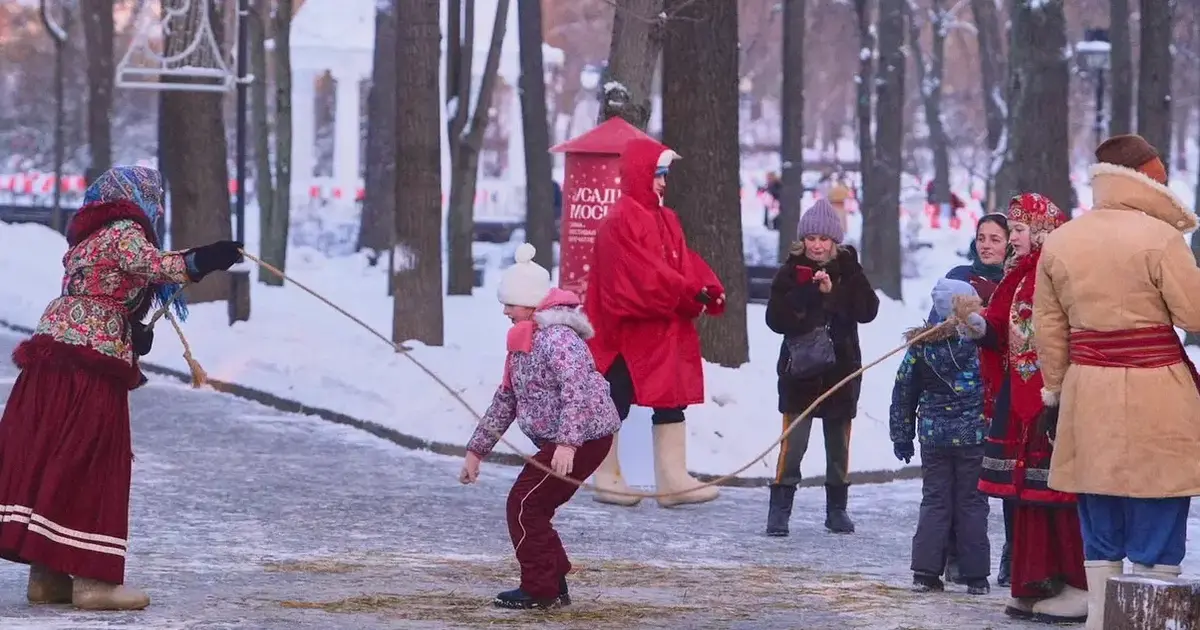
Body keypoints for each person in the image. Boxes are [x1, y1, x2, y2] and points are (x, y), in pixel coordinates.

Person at [0, 165, 243, 610]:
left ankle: (48, 575)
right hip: (87, 370)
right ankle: (94, 580)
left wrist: (131, 328)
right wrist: (205, 259)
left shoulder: (86, 240)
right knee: (95, 461)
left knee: (58, 456)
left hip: (53, 359)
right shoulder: (124, 229)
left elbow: (102, 289)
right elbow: (154, 265)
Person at [1033, 134, 1200, 629]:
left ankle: (1102, 618)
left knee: (1098, 504)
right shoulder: (1161, 238)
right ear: (1148, 179)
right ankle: (1152, 618)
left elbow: (1049, 329)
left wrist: (1055, 392)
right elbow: (1193, 314)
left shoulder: (1062, 240)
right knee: (1159, 496)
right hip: (1157, 388)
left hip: (1088, 390)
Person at [460, 243, 621, 610]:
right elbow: (507, 400)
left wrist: (567, 444)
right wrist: (476, 451)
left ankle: (541, 588)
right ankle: (553, 578)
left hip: (584, 438)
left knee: (524, 504)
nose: (504, 311)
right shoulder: (523, 343)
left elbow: (577, 389)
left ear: (532, 305)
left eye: (510, 304)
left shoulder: (558, 338)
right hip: (566, 439)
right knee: (532, 505)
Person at [955, 192, 1086, 623]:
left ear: (1043, 229)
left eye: (1018, 230)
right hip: (1019, 396)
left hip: (1051, 397)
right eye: (1011, 231)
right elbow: (997, 329)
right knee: (1025, 496)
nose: (1012, 240)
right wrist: (974, 323)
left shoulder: (1060, 271)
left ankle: (1073, 582)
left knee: (1056, 493)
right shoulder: (1016, 275)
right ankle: (1032, 581)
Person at [584, 137, 726, 508]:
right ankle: (607, 475)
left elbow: (682, 263)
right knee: (615, 398)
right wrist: (686, 292)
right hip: (626, 333)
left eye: (665, 174)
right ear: (639, 173)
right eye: (658, 173)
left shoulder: (666, 218)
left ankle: (672, 479)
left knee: (670, 399)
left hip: (661, 330)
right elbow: (638, 277)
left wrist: (705, 286)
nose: (663, 182)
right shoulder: (618, 222)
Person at [765, 199, 880, 536]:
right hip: (799, 375)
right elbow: (776, 319)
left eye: (824, 239)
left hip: (840, 374)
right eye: (811, 238)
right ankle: (780, 509)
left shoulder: (849, 269)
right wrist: (807, 294)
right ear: (803, 240)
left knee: (837, 446)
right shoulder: (789, 272)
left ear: (835, 241)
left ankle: (837, 509)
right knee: (793, 446)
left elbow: (868, 310)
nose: (817, 245)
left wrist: (834, 294)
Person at [890, 278, 991, 595]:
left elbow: (903, 392)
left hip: (934, 438)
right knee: (972, 502)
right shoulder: (979, 345)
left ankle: (925, 572)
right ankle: (976, 577)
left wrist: (902, 435)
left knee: (935, 501)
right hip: (973, 436)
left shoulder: (922, 347)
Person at [936, 213, 1011, 588]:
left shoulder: (1019, 282)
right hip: (963, 397)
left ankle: (1014, 555)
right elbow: (936, 331)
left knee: (1013, 477)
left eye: (995, 239)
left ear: (1009, 243)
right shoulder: (960, 278)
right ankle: (955, 555)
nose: (986, 245)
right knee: (964, 488)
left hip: (1005, 389)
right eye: (982, 237)